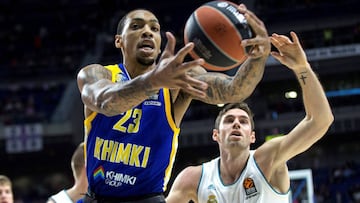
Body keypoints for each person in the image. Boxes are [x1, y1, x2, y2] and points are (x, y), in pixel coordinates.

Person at [77, 3, 270, 203]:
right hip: (96, 198)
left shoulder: (177, 82)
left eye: (154, 29)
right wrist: (152, 82)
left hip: (147, 198)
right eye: (136, 26)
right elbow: (105, 102)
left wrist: (258, 57)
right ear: (119, 41)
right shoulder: (97, 74)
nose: (147, 32)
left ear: (160, 43)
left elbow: (232, 91)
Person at [165, 31, 334, 203]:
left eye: (243, 121)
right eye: (229, 120)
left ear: (252, 136)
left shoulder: (268, 159)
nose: (236, 124)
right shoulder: (192, 179)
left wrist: (302, 68)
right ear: (216, 134)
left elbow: (320, 121)